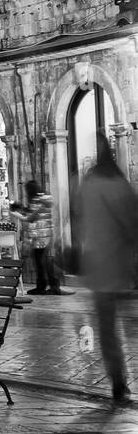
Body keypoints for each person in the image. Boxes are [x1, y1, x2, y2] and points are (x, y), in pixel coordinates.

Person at [75, 140, 136, 404]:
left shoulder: (88, 187)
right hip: (124, 264)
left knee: (108, 328)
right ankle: (121, 380)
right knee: (127, 324)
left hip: (98, 267)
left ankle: (118, 382)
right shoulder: (120, 185)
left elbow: (78, 221)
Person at [15, 181, 70, 295]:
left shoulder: (37, 201)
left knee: (41, 262)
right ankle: (51, 286)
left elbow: (30, 218)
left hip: (39, 237)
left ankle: (44, 286)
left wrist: (17, 214)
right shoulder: (44, 199)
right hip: (46, 236)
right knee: (45, 262)